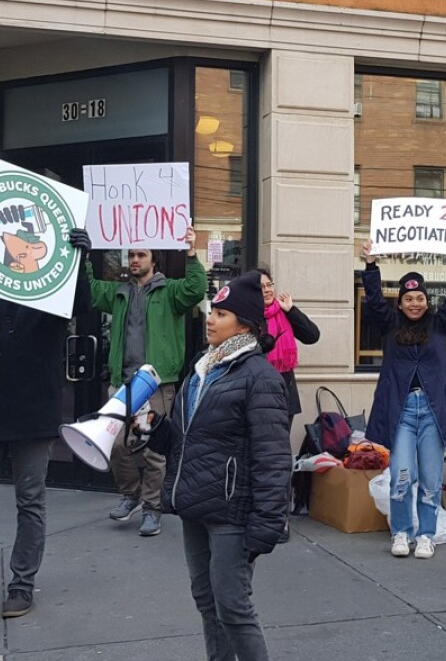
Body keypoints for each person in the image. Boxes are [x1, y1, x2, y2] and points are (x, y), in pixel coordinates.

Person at [0, 228, 94, 619]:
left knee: (30, 501)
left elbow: (81, 304)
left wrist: (79, 262)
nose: (15, 256)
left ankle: (22, 584)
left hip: (32, 413)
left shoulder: (52, 291)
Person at [139, 270, 290, 661]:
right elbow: (187, 438)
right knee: (207, 602)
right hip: (195, 505)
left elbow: (274, 458)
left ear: (245, 325)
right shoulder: (201, 369)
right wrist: (154, 429)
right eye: (212, 311)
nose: (210, 319)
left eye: (221, 314)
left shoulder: (260, 377)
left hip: (232, 513)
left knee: (233, 608)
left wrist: (268, 522)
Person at [90, 228, 207, 538]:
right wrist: (84, 254)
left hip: (155, 384)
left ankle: (152, 509)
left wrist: (191, 253)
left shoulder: (170, 291)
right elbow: (90, 289)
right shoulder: (120, 292)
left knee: (154, 451)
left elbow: (196, 289)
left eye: (141, 254)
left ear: (154, 261)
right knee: (116, 445)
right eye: (131, 254)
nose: (135, 259)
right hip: (123, 383)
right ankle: (131, 494)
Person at [361, 238, 446, 560]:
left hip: (433, 412)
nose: (415, 304)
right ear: (401, 303)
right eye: (408, 299)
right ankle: (402, 532)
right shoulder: (390, 325)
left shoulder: (439, 324)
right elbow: (374, 300)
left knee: (432, 480)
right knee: (402, 476)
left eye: (420, 298)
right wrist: (370, 265)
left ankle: (426, 536)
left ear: (426, 300)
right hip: (402, 412)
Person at [256, 267, 320, 419]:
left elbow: (312, 336)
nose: (267, 290)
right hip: (258, 393)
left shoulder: (284, 312)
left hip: (284, 392)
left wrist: (291, 310)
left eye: (269, 285)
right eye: (261, 287)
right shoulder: (248, 317)